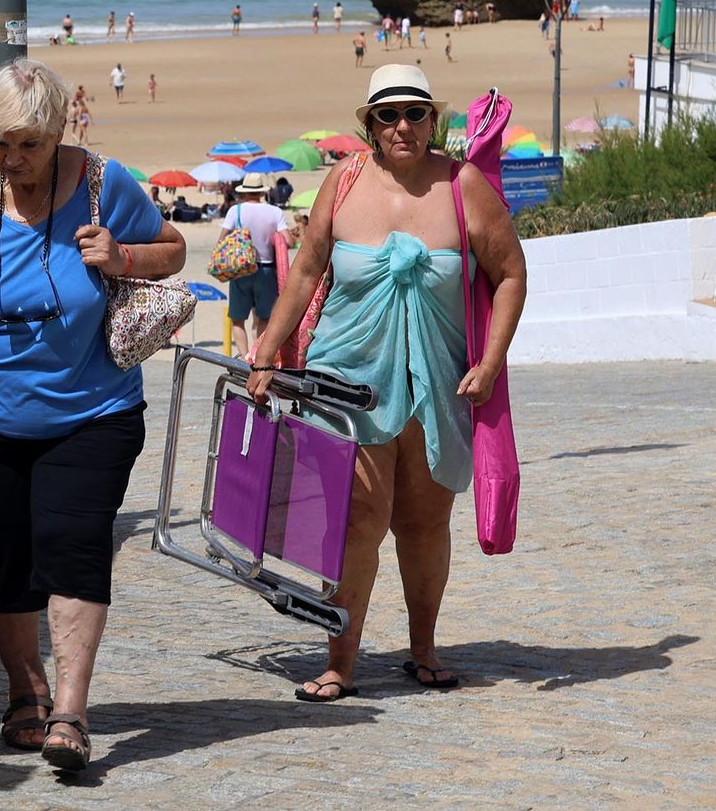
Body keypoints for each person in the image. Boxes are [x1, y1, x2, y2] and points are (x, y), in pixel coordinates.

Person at [0, 58, 186, 770]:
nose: (15, 160)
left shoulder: (104, 187)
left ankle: (71, 712)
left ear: (60, 132)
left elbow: (171, 251)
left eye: (31, 144)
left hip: (93, 410)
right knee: (2, 559)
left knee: (72, 540)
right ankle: (26, 689)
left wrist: (123, 254)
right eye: (2, 143)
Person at [245, 63, 527, 703]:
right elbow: (306, 271)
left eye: (416, 112)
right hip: (347, 383)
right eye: (388, 114)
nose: (403, 125)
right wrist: (266, 352)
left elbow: (511, 273)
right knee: (354, 523)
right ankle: (340, 660)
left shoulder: (465, 187)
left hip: (439, 383)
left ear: (435, 119)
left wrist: (491, 360)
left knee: (425, 523)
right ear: (368, 124)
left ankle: (423, 649)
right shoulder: (342, 184)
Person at [219, 172, 289, 363]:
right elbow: (288, 240)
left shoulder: (236, 211)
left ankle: (243, 357)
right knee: (264, 318)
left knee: (238, 318)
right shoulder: (275, 212)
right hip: (267, 270)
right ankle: (258, 355)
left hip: (242, 269)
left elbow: (222, 237)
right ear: (261, 192)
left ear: (244, 191)